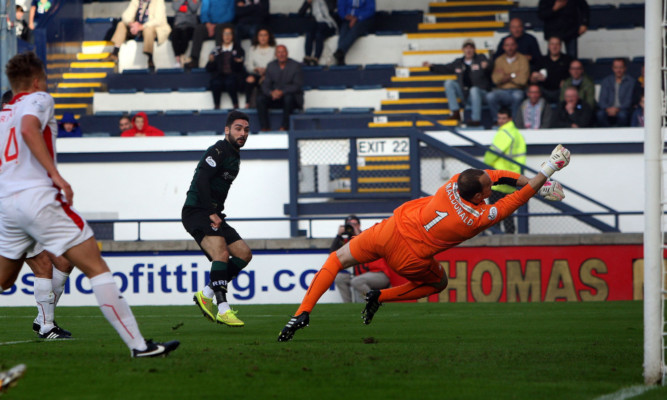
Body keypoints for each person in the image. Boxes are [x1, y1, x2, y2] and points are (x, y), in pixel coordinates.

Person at [277, 143, 571, 341]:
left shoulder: (455, 181)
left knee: (336, 259)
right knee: (438, 284)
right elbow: (517, 195)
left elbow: (494, 176)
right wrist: (549, 169)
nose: (490, 184)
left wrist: (542, 185)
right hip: (410, 255)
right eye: (486, 188)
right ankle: (381, 297)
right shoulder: (478, 218)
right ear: (481, 197)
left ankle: (301, 313)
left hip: (389, 229)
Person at [0, 52, 179, 357]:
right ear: (35, 80)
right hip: (37, 199)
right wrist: (57, 176)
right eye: (44, 79)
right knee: (96, 267)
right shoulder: (38, 99)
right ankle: (139, 346)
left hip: (6, 204)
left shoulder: (3, 113)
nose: (46, 84)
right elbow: (30, 128)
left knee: (4, 280)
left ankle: (46, 322)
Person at [184, 111, 252, 327]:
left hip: (214, 213)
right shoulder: (218, 150)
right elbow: (202, 179)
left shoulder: (234, 154)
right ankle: (223, 309)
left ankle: (206, 293)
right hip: (197, 210)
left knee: (244, 254)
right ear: (227, 130)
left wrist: (216, 213)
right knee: (220, 253)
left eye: (246, 130)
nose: (243, 133)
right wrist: (211, 211)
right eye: (238, 128)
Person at [424, 38, 492, 126]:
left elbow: (491, 66)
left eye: (471, 47)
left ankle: (476, 120)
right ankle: (455, 112)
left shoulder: (481, 58)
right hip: (465, 94)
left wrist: (487, 65)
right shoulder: (458, 62)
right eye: (466, 47)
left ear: (474, 49)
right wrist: (432, 66)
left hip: (481, 94)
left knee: (474, 90)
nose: (468, 50)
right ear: (462, 49)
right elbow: (446, 68)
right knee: (449, 83)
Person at [483, 108, 526, 234]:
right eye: (499, 118)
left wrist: (486, 163)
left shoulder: (504, 133)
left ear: (509, 119)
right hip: (512, 179)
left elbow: (491, 155)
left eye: (503, 118)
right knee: (508, 213)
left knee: (494, 213)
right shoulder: (516, 133)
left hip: (499, 179)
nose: (500, 121)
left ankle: (497, 237)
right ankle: (510, 237)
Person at [107, 0, 172, 71]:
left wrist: (142, 27)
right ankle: (115, 53)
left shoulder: (158, 1)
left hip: (153, 28)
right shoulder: (136, 1)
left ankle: (150, 59)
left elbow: (158, 20)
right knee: (121, 24)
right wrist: (131, 24)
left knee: (148, 30)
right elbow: (126, 15)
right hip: (136, 28)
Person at [25, 248, 74, 338]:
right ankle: (46, 327)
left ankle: (41, 320)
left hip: (40, 233)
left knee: (65, 263)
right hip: (22, 234)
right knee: (43, 266)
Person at [256, 45, 304, 131]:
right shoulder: (271, 66)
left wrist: (282, 92)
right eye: (279, 52)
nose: (281, 54)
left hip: (290, 98)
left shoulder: (295, 65)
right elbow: (265, 85)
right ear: (276, 55)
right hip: (274, 98)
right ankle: (265, 127)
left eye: (283, 52)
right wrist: (271, 93)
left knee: (288, 98)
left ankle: (284, 127)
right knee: (260, 99)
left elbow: (297, 85)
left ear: (287, 53)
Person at [486, 36, 529, 123]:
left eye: (512, 45)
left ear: (516, 46)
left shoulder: (523, 59)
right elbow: (495, 80)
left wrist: (506, 76)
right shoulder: (499, 60)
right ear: (503, 47)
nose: (510, 48)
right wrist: (514, 75)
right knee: (490, 96)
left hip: (518, 90)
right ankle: (497, 121)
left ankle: (514, 122)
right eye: (507, 45)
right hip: (502, 91)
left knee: (518, 96)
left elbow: (523, 80)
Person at [184, 0, 235, 69]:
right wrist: (207, 23)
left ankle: (219, 59)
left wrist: (216, 24)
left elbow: (231, 13)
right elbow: (204, 10)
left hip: (224, 24)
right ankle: (194, 59)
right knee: (199, 29)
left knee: (219, 28)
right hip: (210, 25)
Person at [206, 25, 246, 110]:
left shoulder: (238, 49)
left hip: (233, 75)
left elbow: (240, 68)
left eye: (229, 34)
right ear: (222, 36)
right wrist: (211, 61)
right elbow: (209, 68)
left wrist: (238, 63)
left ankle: (235, 104)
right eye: (225, 34)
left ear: (233, 36)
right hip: (220, 75)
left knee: (230, 82)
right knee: (216, 83)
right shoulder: (216, 50)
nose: (227, 36)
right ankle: (217, 105)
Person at [530, 36, 572, 104]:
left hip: (561, 91)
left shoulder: (568, 60)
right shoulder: (541, 60)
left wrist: (567, 82)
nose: (554, 47)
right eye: (552, 44)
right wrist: (534, 77)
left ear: (561, 46)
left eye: (557, 44)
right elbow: (532, 80)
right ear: (548, 46)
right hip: (543, 92)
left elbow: (575, 77)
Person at [333, 0, 375, 66]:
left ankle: (340, 51)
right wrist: (345, 16)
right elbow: (341, 8)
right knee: (343, 31)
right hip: (348, 19)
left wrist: (357, 18)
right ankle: (340, 56)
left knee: (355, 30)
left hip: (363, 20)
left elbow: (370, 10)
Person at [596, 58, 635, 127]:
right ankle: (607, 134)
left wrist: (617, 109)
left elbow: (629, 100)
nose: (618, 70)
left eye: (621, 67)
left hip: (623, 109)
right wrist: (608, 109)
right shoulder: (606, 81)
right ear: (613, 68)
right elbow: (602, 100)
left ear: (625, 68)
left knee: (622, 115)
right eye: (616, 67)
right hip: (608, 109)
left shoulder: (631, 82)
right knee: (600, 114)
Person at [331, 215, 362, 302]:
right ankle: (347, 304)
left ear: (359, 225)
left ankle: (362, 304)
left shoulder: (364, 235)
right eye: (349, 224)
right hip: (352, 273)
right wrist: (338, 235)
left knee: (358, 281)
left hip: (365, 272)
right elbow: (333, 253)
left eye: (354, 224)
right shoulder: (345, 240)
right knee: (339, 277)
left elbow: (362, 245)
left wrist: (356, 233)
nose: (352, 226)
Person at [244, 28, 276, 108]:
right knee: (250, 79)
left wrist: (266, 72)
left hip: (270, 75)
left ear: (269, 37)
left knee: (265, 80)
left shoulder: (274, 49)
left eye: (265, 35)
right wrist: (256, 69)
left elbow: (276, 65)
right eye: (261, 35)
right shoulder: (252, 49)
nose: (263, 37)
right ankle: (248, 103)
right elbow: (248, 65)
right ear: (257, 37)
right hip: (256, 74)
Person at [300, 0, 338, 66]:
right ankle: (307, 57)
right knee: (309, 34)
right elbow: (300, 13)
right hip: (315, 25)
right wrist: (308, 3)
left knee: (319, 35)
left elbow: (331, 11)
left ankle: (316, 58)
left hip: (327, 24)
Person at [170, 0, 200, 68]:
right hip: (179, 24)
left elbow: (194, 8)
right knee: (174, 34)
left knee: (185, 34)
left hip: (191, 25)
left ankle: (181, 57)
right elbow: (175, 7)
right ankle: (178, 58)